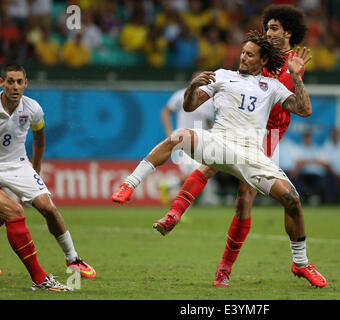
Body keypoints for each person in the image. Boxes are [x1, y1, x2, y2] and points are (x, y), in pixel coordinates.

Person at [112, 30, 327, 288]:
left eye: (250, 55)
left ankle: (301, 263)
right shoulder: (223, 76)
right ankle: (130, 184)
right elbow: (190, 106)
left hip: (251, 155)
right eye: (243, 52)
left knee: (292, 200)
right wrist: (192, 87)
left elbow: (304, 109)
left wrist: (295, 76)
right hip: (218, 143)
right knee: (176, 137)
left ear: (263, 61)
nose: (243, 58)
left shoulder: (272, 87)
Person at [0, 63, 96, 280]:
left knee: (48, 207)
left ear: (26, 84)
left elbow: (40, 139)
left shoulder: (33, 109)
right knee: (12, 211)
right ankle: (40, 278)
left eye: (19, 82)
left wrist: (36, 169)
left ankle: (73, 259)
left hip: (18, 165)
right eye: (10, 81)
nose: (15, 86)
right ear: (2, 83)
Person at [160, 71, 218, 205]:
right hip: (182, 140)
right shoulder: (181, 95)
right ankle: (180, 206)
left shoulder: (208, 101)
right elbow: (165, 112)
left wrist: (215, 134)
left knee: (197, 175)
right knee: (195, 174)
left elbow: (208, 121)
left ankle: (169, 186)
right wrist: (169, 132)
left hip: (201, 141)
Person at [288, 130, 328, 205]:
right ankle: (306, 196)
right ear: (303, 138)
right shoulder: (297, 148)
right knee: (295, 180)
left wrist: (305, 161)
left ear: (311, 138)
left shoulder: (318, 149)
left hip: (316, 174)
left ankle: (313, 197)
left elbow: (323, 163)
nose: (307, 139)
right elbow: (298, 163)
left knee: (322, 182)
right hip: (303, 173)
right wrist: (314, 161)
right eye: (306, 137)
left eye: (309, 137)